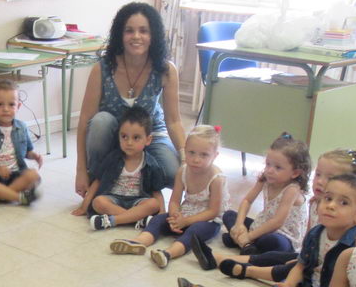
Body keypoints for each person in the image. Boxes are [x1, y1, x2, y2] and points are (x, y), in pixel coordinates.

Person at [183, 174, 356, 287]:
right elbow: (300, 265)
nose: (331, 206)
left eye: (343, 203)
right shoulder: (317, 233)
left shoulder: (355, 250)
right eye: (328, 198)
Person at [74, 2, 183, 199]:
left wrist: (186, 159)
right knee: (100, 121)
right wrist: (80, 170)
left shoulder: (166, 70)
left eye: (144, 31)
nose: (136, 37)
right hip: (114, 136)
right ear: (120, 35)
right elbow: (84, 121)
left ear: (153, 36)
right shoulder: (102, 69)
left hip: (150, 135)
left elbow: (174, 122)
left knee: (174, 174)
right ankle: (98, 179)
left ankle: (135, 182)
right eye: (129, 31)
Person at [220, 147, 356, 279]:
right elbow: (311, 238)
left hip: (327, 271)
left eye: (330, 178)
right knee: (275, 257)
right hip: (311, 259)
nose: (320, 181)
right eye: (318, 174)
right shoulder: (315, 203)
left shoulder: (350, 217)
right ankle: (227, 258)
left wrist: (302, 263)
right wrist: (240, 225)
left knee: (280, 259)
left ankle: (244, 266)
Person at [108, 124, 227, 269]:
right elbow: (175, 200)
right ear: (185, 151)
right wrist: (175, 215)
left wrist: (186, 222)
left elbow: (213, 211)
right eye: (191, 153)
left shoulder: (216, 178)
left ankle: (167, 253)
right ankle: (139, 242)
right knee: (159, 218)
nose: (196, 159)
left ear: (215, 156)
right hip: (185, 214)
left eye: (204, 155)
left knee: (194, 232)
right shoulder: (182, 171)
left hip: (207, 220)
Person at [73, 106, 169, 231]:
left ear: (148, 139)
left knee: (153, 204)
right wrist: (84, 207)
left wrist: (161, 215)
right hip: (113, 199)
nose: (129, 142)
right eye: (124, 136)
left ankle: (114, 220)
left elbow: (156, 192)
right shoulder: (113, 158)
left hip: (138, 200)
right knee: (98, 202)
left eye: (136, 138)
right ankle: (136, 219)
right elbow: (97, 182)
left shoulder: (151, 164)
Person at [220, 132, 310, 259]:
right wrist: (239, 224)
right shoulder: (265, 178)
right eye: (268, 164)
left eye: (278, 167)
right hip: (263, 226)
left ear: (295, 173)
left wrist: (249, 236)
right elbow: (247, 200)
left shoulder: (292, 190)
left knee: (274, 242)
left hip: (283, 236)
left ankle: (242, 241)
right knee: (229, 215)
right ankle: (247, 245)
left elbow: (277, 222)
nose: (270, 170)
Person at [0, 80, 43, 205]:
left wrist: (34, 156)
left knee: (33, 175)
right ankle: (18, 197)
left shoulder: (22, 127)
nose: (5, 109)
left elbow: (27, 152)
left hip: (16, 174)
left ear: (18, 106)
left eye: (11, 104)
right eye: (0, 104)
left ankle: (0, 195)